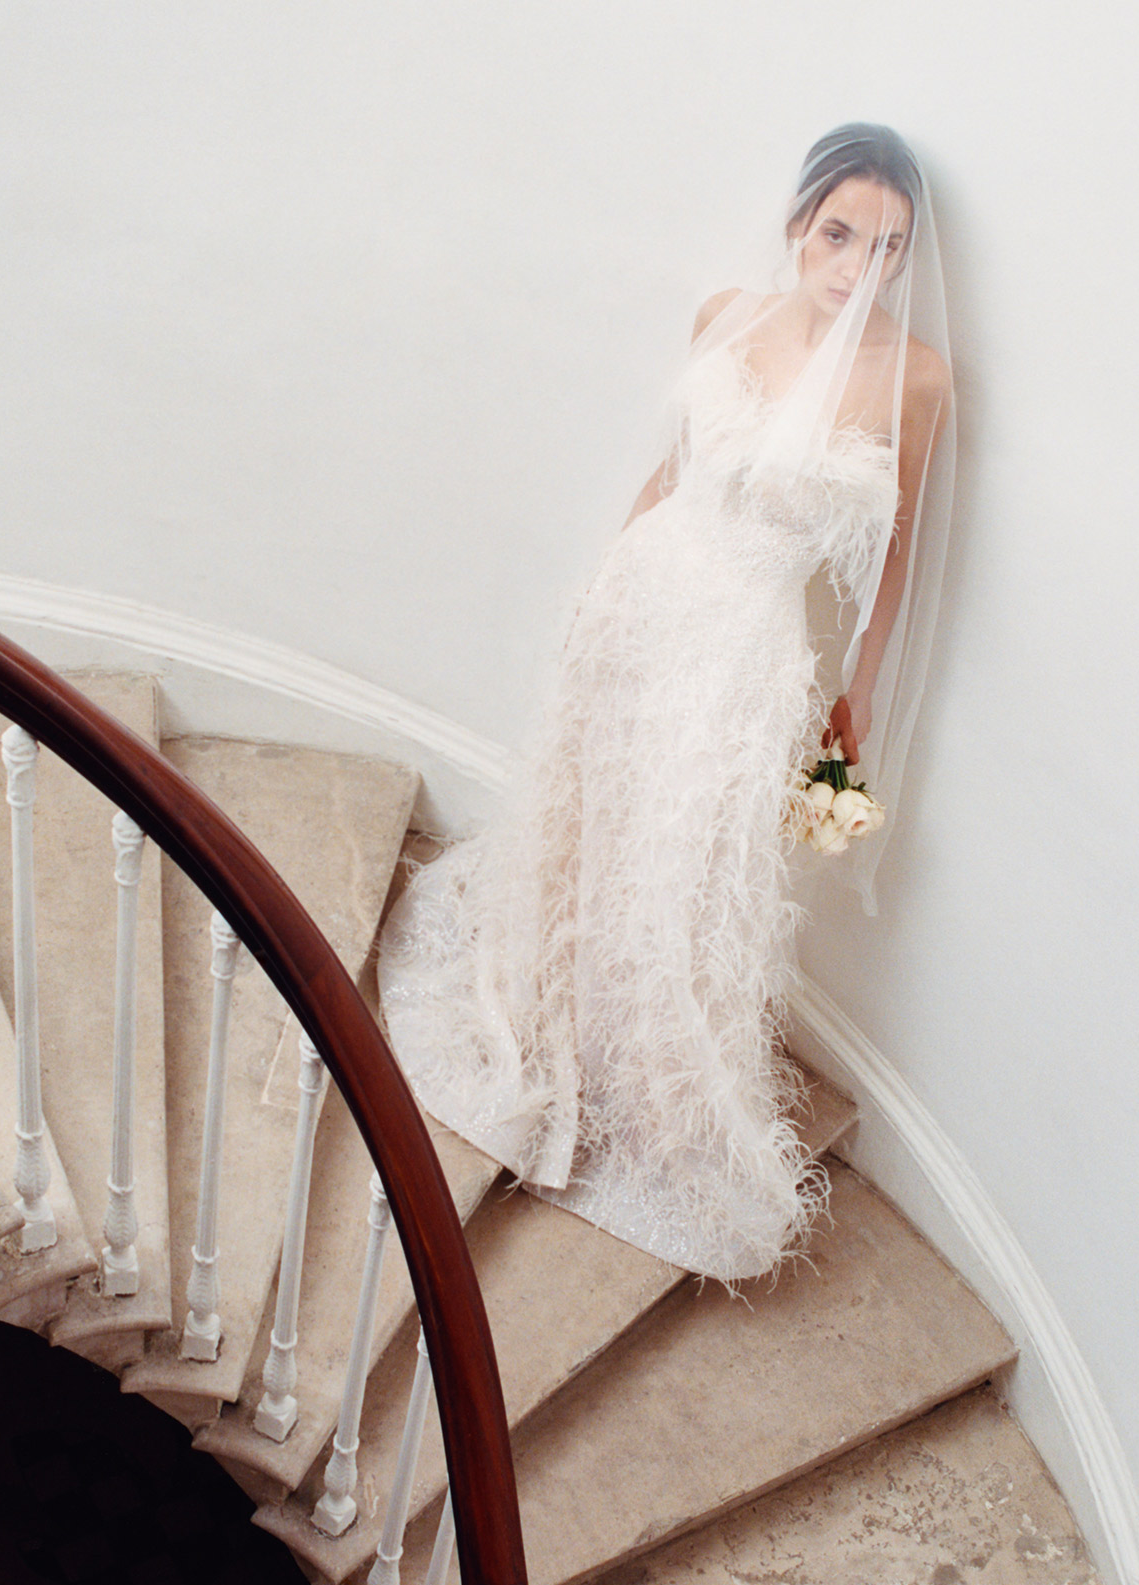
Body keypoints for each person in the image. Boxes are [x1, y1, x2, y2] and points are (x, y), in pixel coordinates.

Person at [378, 124, 953, 1284]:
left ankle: (650, 1072)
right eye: (837, 234)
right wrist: (603, 583)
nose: (853, 269)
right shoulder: (726, 314)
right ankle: (555, 1006)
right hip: (646, 598)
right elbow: (671, 474)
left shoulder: (920, 380)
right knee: (595, 808)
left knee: (683, 856)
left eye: (884, 250)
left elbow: (900, 554)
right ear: (798, 224)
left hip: (744, 646)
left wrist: (860, 698)